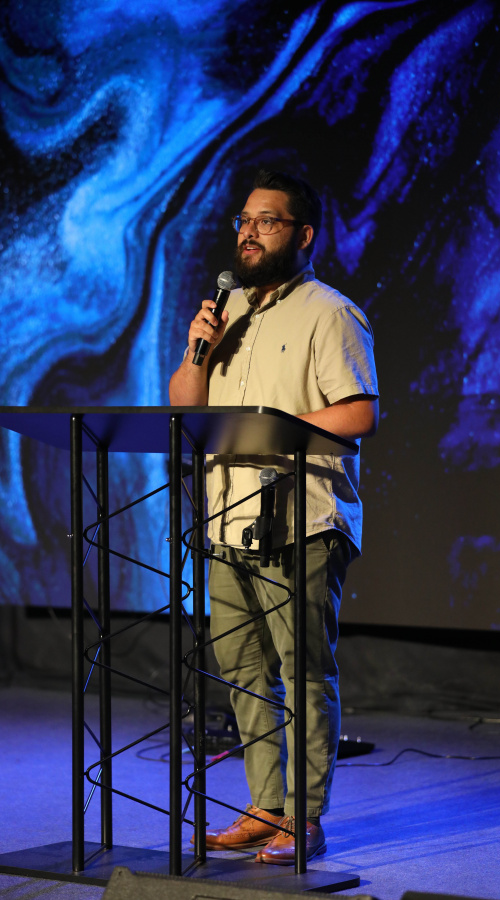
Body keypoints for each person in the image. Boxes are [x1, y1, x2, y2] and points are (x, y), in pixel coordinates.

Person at [169, 169, 379, 865]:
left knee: (304, 672)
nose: (249, 233)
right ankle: (265, 806)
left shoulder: (330, 313)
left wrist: (274, 430)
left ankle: (304, 817)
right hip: (226, 520)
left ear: (303, 234)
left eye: (267, 221)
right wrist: (199, 346)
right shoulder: (225, 314)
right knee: (241, 671)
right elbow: (184, 406)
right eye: (244, 221)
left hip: (302, 522)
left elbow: (358, 414)